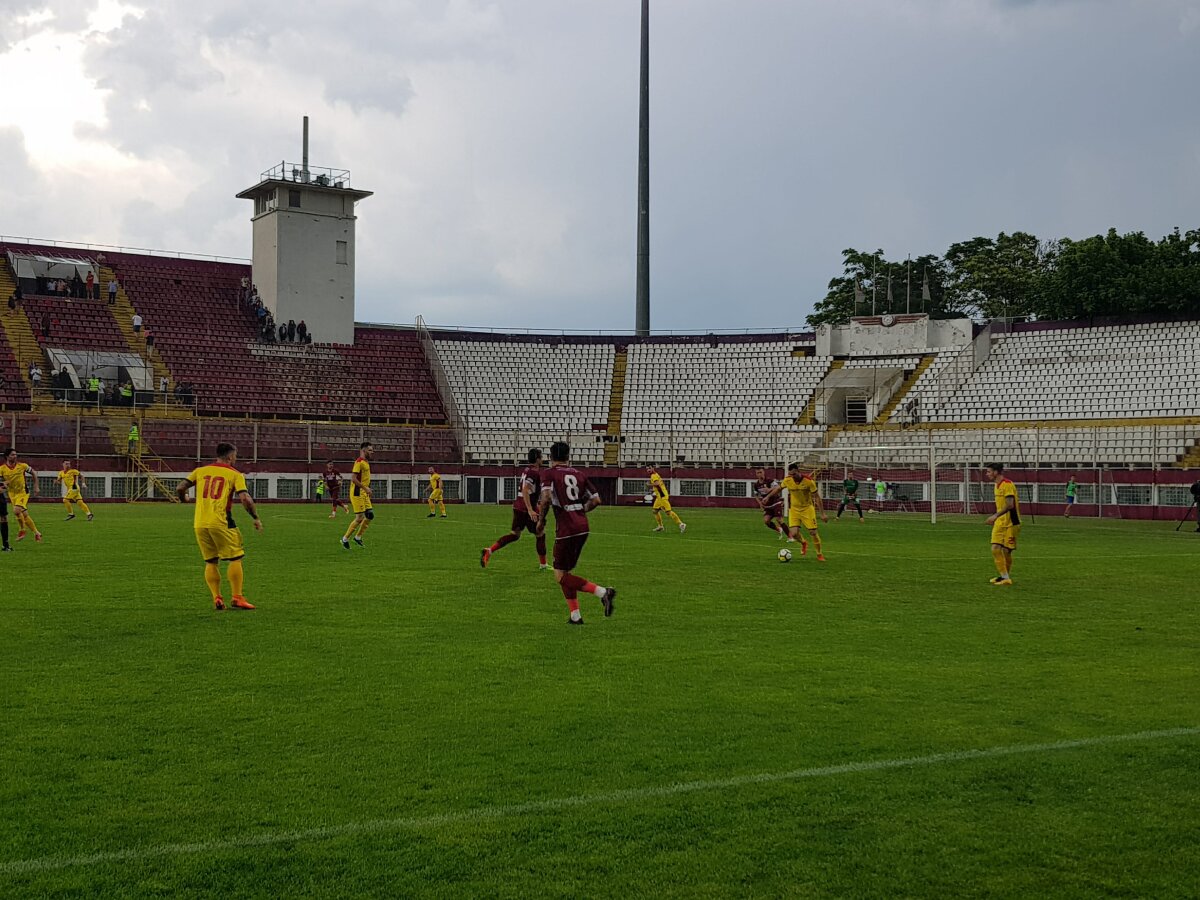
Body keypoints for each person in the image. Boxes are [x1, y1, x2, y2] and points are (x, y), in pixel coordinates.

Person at [536, 441, 616, 625]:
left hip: (566, 529)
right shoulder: (579, 474)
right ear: (568, 456)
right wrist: (580, 511)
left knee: (560, 576)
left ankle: (603, 592)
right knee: (567, 572)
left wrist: (541, 521)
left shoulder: (549, 473)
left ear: (550, 458)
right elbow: (596, 500)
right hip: (582, 526)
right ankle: (575, 615)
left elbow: (546, 497)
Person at [176, 442, 262, 610]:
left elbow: (180, 487)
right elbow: (245, 499)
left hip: (200, 523)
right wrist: (255, 517)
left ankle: (217, 597)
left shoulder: (200, 471)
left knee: (211, 561)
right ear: (230, 456)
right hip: (221, 521)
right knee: (235, 557)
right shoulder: (235, 474)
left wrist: (183, 499)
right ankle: (237, 597)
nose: (235, 459)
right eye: (235, 456)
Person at [481, 448, 548, 570]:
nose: (543, 459)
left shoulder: (527, 470)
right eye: (541, 457)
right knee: (540, 534)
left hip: (518, 506)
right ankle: (543, 565)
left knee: (514, 535)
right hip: (525, 509)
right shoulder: (534, 472)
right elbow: (525, 489)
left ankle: (489, 551)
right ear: (538, 459)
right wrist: (530, 509)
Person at [763, 462, 827, 560]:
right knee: (793, 533)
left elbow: (817, 498)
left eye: (794, 474)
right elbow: (778, 489)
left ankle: (819, 554)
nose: (792, 476)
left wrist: (822, 514)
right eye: (790, 474)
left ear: (798, 471)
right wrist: (768, 496)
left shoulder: (809, 481)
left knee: (813, 532)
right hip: (794, 510)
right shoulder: (788, 480)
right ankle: (804, 543)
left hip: (807, 509)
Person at [984, 462, 1020, 586]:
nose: (987, 474)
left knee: (1006, 551)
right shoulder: (996, 485)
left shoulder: (1007, 485)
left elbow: (1010, 505)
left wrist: (995, 515)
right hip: (1000, 522)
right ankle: (1004, 577)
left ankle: (1005, 577)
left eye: (988, 471)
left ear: (996, 472)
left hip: (1011, 522)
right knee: (995, 549)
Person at [1, 448, 42, 543]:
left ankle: (22, 530)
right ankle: (37, 533)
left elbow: (34, 473)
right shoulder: (2, 469)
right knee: (24, 514)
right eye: (12, 455)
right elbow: (1, 483)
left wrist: (36, 487)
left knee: (16, 511)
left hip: (23, 492)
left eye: (15, 454)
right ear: (7, 456)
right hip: (12, 494)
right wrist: (4, 483)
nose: (15, 456)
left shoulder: (22, 466)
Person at [342, 441, 374, 549]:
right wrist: (365, 488)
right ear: (363, 450)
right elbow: (353, 479)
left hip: (364, 492)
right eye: (370, 450)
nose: (372, 452)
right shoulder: (359, 462)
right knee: (359, 518)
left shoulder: (366, 462)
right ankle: (345, 539)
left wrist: (367, 488)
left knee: (370, 515)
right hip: (357, 492)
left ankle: (358, 537)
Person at [647, 465, 686, 533]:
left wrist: (649, 485)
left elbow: (657, 483)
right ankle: (660, 526)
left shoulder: (654, 475)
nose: (648, 470)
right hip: (659, 496)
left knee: (668, 512)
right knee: (655, 511)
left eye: (649, 468)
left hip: (662, 495)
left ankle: (681, 524)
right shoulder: (655, 474)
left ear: (653, 468)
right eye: (647, 469)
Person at [753, 467, 786, 538]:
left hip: (775, 502)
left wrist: (769, 489)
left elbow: (778, 487)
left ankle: (790, 536)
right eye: (758, 473)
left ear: (764, 472)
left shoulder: (769, 481)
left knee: (779, 520)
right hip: (767, 505)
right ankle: (778, 529)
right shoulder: (756, 485)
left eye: (761, 472)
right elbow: (755, 495)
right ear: (756, 474)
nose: (759, 474)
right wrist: (760, 504)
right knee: (766, 521)